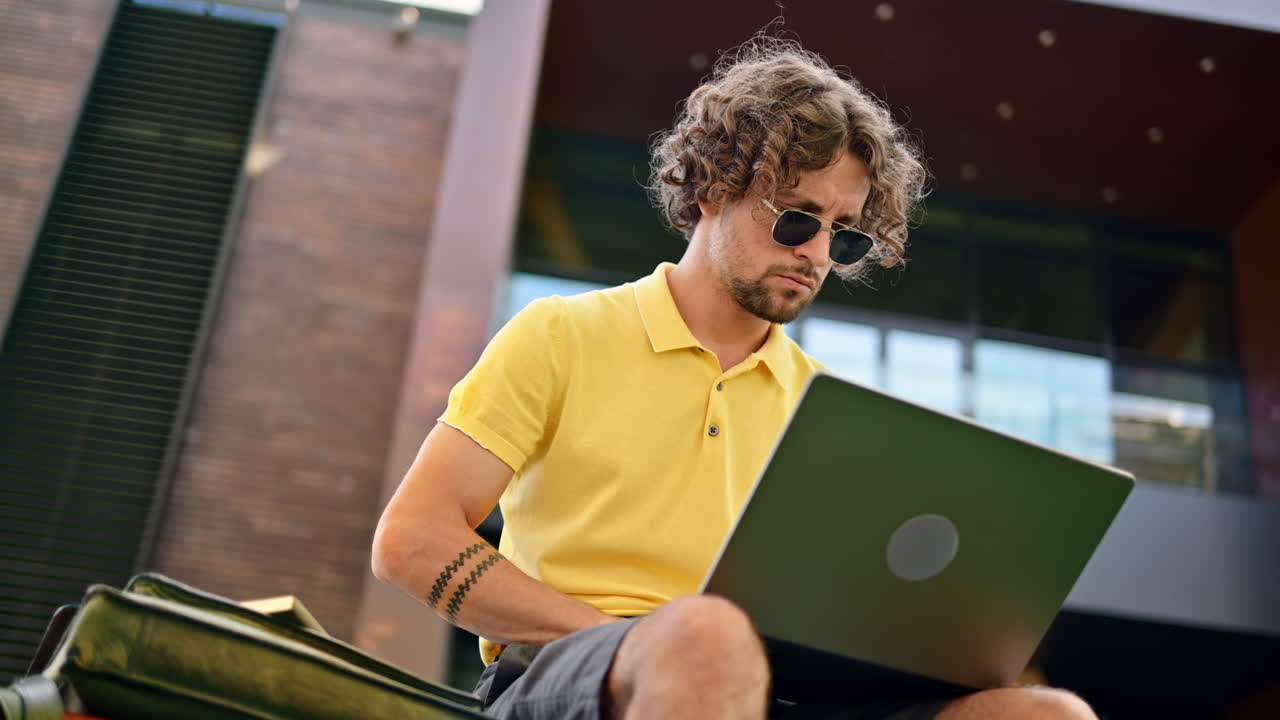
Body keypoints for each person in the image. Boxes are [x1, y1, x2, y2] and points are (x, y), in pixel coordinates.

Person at [372, 36, 1098, 720]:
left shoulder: (825, 406)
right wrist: (641, 642)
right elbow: (411, 539)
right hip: (561, 675)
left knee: (1045, 711)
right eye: (795, 219)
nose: (815, 253)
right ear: (712, 187)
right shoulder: (562, 333)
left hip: (769, 693)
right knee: (706, 639)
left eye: (842, 235)